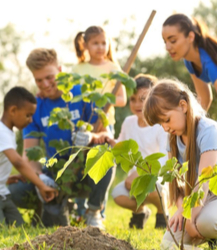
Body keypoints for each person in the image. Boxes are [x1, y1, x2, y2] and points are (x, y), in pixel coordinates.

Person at [8, 48, 113, 229]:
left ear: (60, 70)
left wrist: (91, 136)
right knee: (16, 192)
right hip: (55, 174)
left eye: (49, 77)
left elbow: (107, 137)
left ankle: (93, 212)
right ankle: (53, 206)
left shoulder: (84, 94)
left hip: (84, 172)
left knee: (104, 153)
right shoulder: (35, 106)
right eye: (39, 80)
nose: (45, 84)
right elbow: (30, 153)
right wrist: (39, 178)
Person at [0, 86, 58, 226]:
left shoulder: (8, 132)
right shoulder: (0, 131)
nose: (30, 120)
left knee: (18, 226)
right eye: (28, 115)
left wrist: (7, 178)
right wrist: (41, 185)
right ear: (13, 110)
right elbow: (18, 162)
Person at [143, 78, 217, 249]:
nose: (165, 128)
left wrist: (189, 218)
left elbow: (203, 182)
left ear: (183, 106)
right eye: (160, 124)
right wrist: (181, 209)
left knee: (206, 223)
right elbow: (175, 183)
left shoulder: (208, 132)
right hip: (200, 201)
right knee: (169, 244)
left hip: (209, 193)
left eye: (166, 120)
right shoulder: (173, 140)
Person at [72, 25, 127, 219]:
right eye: (95, 43)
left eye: (104, 43)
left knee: (102, 163)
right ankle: (79, 209)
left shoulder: (113, 68)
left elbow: (122, 99)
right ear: (85, 45)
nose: (100, 47)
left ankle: (97, 211)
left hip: (105, 125)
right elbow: (72, 98)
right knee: (81, 165)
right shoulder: (78, 69)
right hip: (84, 124)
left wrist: (106, 101)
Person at [107, 74, 169, 229]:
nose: (137, 104)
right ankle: (140, 212)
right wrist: (106, 138)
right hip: (133, 180)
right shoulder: (129, 122)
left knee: (154, 189)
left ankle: (162, 212)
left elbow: (164, 157)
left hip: (157, 177)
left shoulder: (160, 125)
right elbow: (121, 144)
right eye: (133, 99)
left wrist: (142, 173)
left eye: (143, 98)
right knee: (118, 195)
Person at [162, 13, 217, 111]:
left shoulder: (209, 62)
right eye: (165, 41)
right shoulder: (189, 61)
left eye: (173, 40)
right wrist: (192, 123)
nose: (167, 47)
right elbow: (204, 99)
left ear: (191, 37)